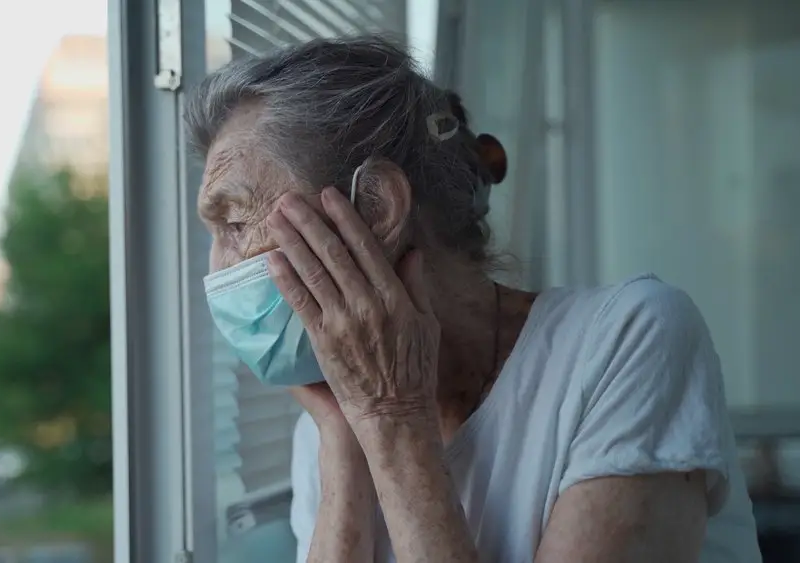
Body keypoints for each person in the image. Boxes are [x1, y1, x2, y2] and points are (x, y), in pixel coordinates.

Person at [188, 36, 762, 563]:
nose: (217, 272)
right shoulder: (327, 421)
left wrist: (391, 417)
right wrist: (345, 442)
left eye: (236, 222)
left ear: (377, 208)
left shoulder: (631, 342)